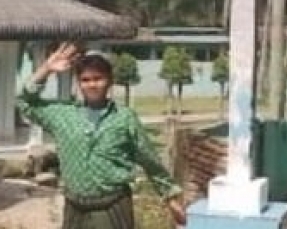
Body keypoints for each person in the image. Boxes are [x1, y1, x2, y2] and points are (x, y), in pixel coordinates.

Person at [17, 42, 187, 228]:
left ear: (109, 81)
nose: (92, 84)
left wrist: (170, 196)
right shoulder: (63, 115)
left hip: (111, 207)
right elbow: (25, 102)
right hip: (75, 208)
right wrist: (46, 69)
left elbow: (148, 158)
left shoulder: (124, 118)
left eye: (98, 78)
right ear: (78, 83)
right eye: (86, 80)